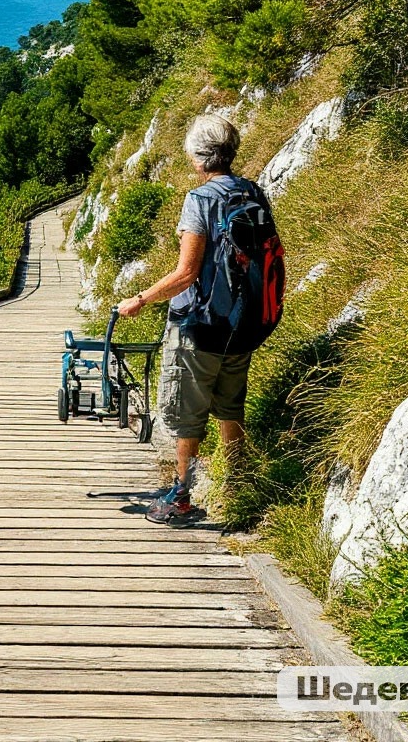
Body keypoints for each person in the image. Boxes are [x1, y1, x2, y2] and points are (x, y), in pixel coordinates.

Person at [117, 113, 274, 525]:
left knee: (188, 415)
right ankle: (238, 486)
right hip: (244, 322)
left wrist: (140, 299)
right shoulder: (253, 192)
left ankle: (181, 496)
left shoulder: (200, 200)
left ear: (199, 157)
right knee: (230, 406)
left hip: (200, 326)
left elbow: (186, 273)